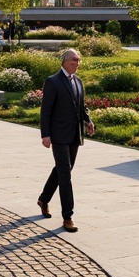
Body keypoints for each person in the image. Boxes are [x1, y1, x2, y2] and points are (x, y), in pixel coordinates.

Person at [37, 48, 95, 233]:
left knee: (64, 169)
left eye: (78, 61)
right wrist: (45, 134)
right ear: (64, 61)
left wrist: (88, 121)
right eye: (73, 61)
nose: (77, 64)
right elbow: (45, 111)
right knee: (65, 175)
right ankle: (68, 217)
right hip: (58, 135)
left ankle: (44, 199)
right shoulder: (53, 81)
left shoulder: (78, 82)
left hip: (74, 135)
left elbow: (81, 106)